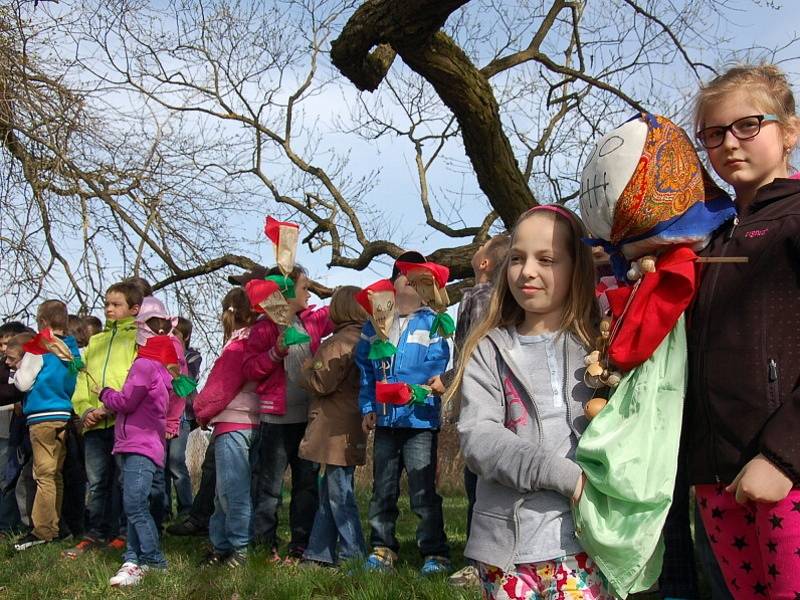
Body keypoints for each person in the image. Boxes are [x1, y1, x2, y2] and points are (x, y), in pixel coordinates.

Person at [453, 206, 611, 598]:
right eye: (518, 258)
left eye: (547, 260)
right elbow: (479, 439)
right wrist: (563, 475)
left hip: (583, 545)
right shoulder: (488, 349)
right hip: (506, 553)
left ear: (576, 268)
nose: (527, 271)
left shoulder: (602, 347)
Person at [687, 64, 800, 598]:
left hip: (786, 475)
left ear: (790, 132)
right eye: (713, 133)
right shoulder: (708, 239)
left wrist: (783, 457)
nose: (729, 143)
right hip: (715, 475)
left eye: (749, 125)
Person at [356, 251, 451, 575]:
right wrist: (368, 407)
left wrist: (410, 390)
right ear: (392, 286)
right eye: (404, 281)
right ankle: (382, 548)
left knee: (424, 490)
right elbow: (366, 370)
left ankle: (435, 552)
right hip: (385, 421)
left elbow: (437, 366)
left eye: (417, 283)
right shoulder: (376, 324)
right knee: (383, 487)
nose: (409, 289)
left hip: (420, 420)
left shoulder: (433, 323)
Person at [243, 265, 334, 561]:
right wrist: (276, 351)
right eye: (304, 287)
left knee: (306, 484)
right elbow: (250, 368)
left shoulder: (311, 321)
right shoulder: (265, 326)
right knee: (269, 486)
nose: (309, 293)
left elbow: (347, 308)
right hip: (276, 421)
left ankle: (301, 543)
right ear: (285, 292)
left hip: (309, 418)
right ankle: (264, 543)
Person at [438, 233, 510, 588]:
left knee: (477, 477)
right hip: (492, 399)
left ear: (484, 263)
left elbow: (474, 347)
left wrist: (451, 379)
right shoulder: (497, 298)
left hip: (476, 398)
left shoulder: (479, 298)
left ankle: (479, 562)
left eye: (481, 249)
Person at [65, 281, 142, 558]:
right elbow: (81, 383)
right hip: (94, 426)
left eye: (116, 304)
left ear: (134, 309)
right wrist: (86, 410)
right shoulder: (94, 343)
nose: (109, 309)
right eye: (107, 303)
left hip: (124, 422)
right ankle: (95, 532)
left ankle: (122, 533)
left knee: (123, 480)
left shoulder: (138, 340)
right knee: (97, 482)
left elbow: (137, 380)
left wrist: (110, 407)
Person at [100, 312, 176, 586]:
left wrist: (105, 392)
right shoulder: (159, 369)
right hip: (141, 445)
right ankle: (133, 559)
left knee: (134, 504)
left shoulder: (145, 365)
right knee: (135, 505)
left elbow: (126, 401)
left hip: (139, 445)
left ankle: (154, 560)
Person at [297, 286, 369, 567]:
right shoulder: (365, 338)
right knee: (330, 492)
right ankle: (318, 552)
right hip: (350, 425)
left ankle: (354, 554)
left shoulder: (337, 343)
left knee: (339, 494)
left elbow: (321, 382)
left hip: (333, 428)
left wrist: (306, 368)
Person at [193, 287, 259, 568]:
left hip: (236, 422)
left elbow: (221, 387)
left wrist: (200, 410)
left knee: (232, 490)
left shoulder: (240, 344)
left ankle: (239, 549)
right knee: (224, 492)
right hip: (236, 422)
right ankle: (221, 545)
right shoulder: (244, 341)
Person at [12, 300, 81, 551]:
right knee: (55, 474)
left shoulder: (39, 346)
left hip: (41, 415)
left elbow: (22, 382)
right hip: (63, 413)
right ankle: (57, 526)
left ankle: (42, 529)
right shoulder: (72, 348)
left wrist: (17, 372)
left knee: (42, 475)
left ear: (42, 322)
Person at [162, 317, 199, 521]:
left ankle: (186, 507)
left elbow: (189, 380)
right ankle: (164, 507)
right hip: (163, 414)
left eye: (175, 334)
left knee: (176, 462)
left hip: (182, 416)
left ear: (185, 336)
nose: (171, 337)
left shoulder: (192, 357)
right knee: (162, 463)